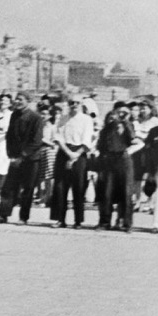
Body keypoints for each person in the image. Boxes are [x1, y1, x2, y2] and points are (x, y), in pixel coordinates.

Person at [0, 92, 44, 225]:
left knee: (28, 189)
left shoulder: (36, 118)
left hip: (31, 159)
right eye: (16, 99)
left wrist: (22, 156)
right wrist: (11, 155)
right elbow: (10, 136)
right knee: (8, 188)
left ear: (28, 101)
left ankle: (24, 217)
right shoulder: (14, 115)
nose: (17, 101)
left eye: (20, 99)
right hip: (14, 158)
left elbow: (36, 141)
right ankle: (3, 215)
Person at [52, 95, 93, 228]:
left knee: (79, 187)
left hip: (79, 153)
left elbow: (87, 140)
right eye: (71, 102)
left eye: (77, 103)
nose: (74, 105)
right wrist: (68, 153)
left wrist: (76, 155)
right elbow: (58, 137)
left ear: (81, 104)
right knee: (60, 187)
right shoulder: (63, 118)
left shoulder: (87, 120)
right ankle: (60, 219)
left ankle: (78, 221)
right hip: (64, 152)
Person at [95, 101, 136, 231]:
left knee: (126, 192)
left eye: (125, 112)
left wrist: (126, 122)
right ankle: (105, 222)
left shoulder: (129, 126)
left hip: (123, 160)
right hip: (109, 161)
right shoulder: (107, 128)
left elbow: (132, 139)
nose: (121, 115)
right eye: (119, 112)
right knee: (107, 192)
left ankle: (126, 223)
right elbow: (100, 147)